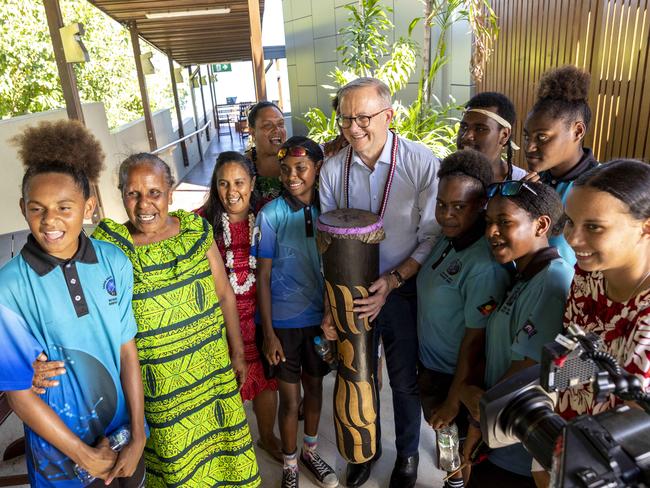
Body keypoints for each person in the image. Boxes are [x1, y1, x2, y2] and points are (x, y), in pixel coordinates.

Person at [92, 154, 261, 487]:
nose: (144, 204)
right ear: (121, 195)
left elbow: (225, 293)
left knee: (227, 460)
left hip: (212, 375)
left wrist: (238, 351)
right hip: (162, 390)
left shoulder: (195, 231)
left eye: (154, 192)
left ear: (170, 193)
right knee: (179, 471)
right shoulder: (111, 248)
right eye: (133, 193)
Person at [0, 120, 146, 487]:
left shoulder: (115, 261)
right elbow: (18, 391)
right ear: (23, 208)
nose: (50, 220)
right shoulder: (9, 286)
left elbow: (127, 351)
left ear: (89, 206)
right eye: (37, 209)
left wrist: (140, 434)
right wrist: (85, 456)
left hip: (123, 437)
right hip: (59, 457)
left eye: (65, 207)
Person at [320, 77, 440, 488]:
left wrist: (392, 281)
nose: (353, 128)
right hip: (350, 291)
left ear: (389, 116)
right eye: (345, 119)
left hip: (403, 287)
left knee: (404, 380)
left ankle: (406, 455)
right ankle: (362, 451)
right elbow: (328, 242)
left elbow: (431, 236)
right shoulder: (334, 169)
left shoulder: (421, 163)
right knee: (356, 374)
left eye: (364, 117)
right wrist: (329, 308)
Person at [461, 180, 573, 487]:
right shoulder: (524, 274)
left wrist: (476, 422)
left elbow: (525, 372)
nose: (490, 232)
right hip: (496, 434)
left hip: (516, 450)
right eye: (488, 222)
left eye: (504, 223)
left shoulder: (552, 281)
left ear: (541, 225)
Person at [416, 149, 511, 488]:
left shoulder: (483, 265)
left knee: (460, 452)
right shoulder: (448, 239)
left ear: (481, 205)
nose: (447, 215)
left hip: (454, 375)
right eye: (442, 204)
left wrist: (454, 401)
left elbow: (475, 342)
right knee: (447, 448)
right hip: (432, 364)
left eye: (459, 207)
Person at [255, 136, 338, 488]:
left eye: (301, 169)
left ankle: (309, 451)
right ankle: (290, 465)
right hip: (283, 325)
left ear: (317, 169)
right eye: (286, 169)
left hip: (320, 322)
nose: (292, 176)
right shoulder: (270, 213)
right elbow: (264, 275)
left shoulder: (330, 211)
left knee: (315, 390)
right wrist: (269, 332)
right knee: (290, 400)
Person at [197, 151, 281, 462]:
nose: (232, 191)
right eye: (223, 183)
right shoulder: (200, 225)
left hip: (261, 316)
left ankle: (268, 437)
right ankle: (226, 450)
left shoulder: (268, 217)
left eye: (239, 182)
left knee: (266, 382)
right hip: (222, 322)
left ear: (253, 182)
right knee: (223, 387)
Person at [557, 160, 650, 418]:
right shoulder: (588, 276)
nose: (573, 239)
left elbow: (636, 421)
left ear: (647, 227)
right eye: (570, 222)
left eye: (594, 227)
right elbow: (570, 356)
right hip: (568, 434)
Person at [523, 65, 598, 265]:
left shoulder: (599, 189)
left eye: (542, 137)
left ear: (577, 131)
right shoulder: (535, 182)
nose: (530, 147)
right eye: (526, 136)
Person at [457, 92, 527, 182]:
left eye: (480, 129)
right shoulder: (438, 174)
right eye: (464, 127)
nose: (466, 136)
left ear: (504, 135)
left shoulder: (520, 183)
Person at [246, 101, 287, 207]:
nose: (277, 129)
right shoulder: (241, 167)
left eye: (280, 124)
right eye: (267, 125)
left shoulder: (298, 161)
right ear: (252, 132)